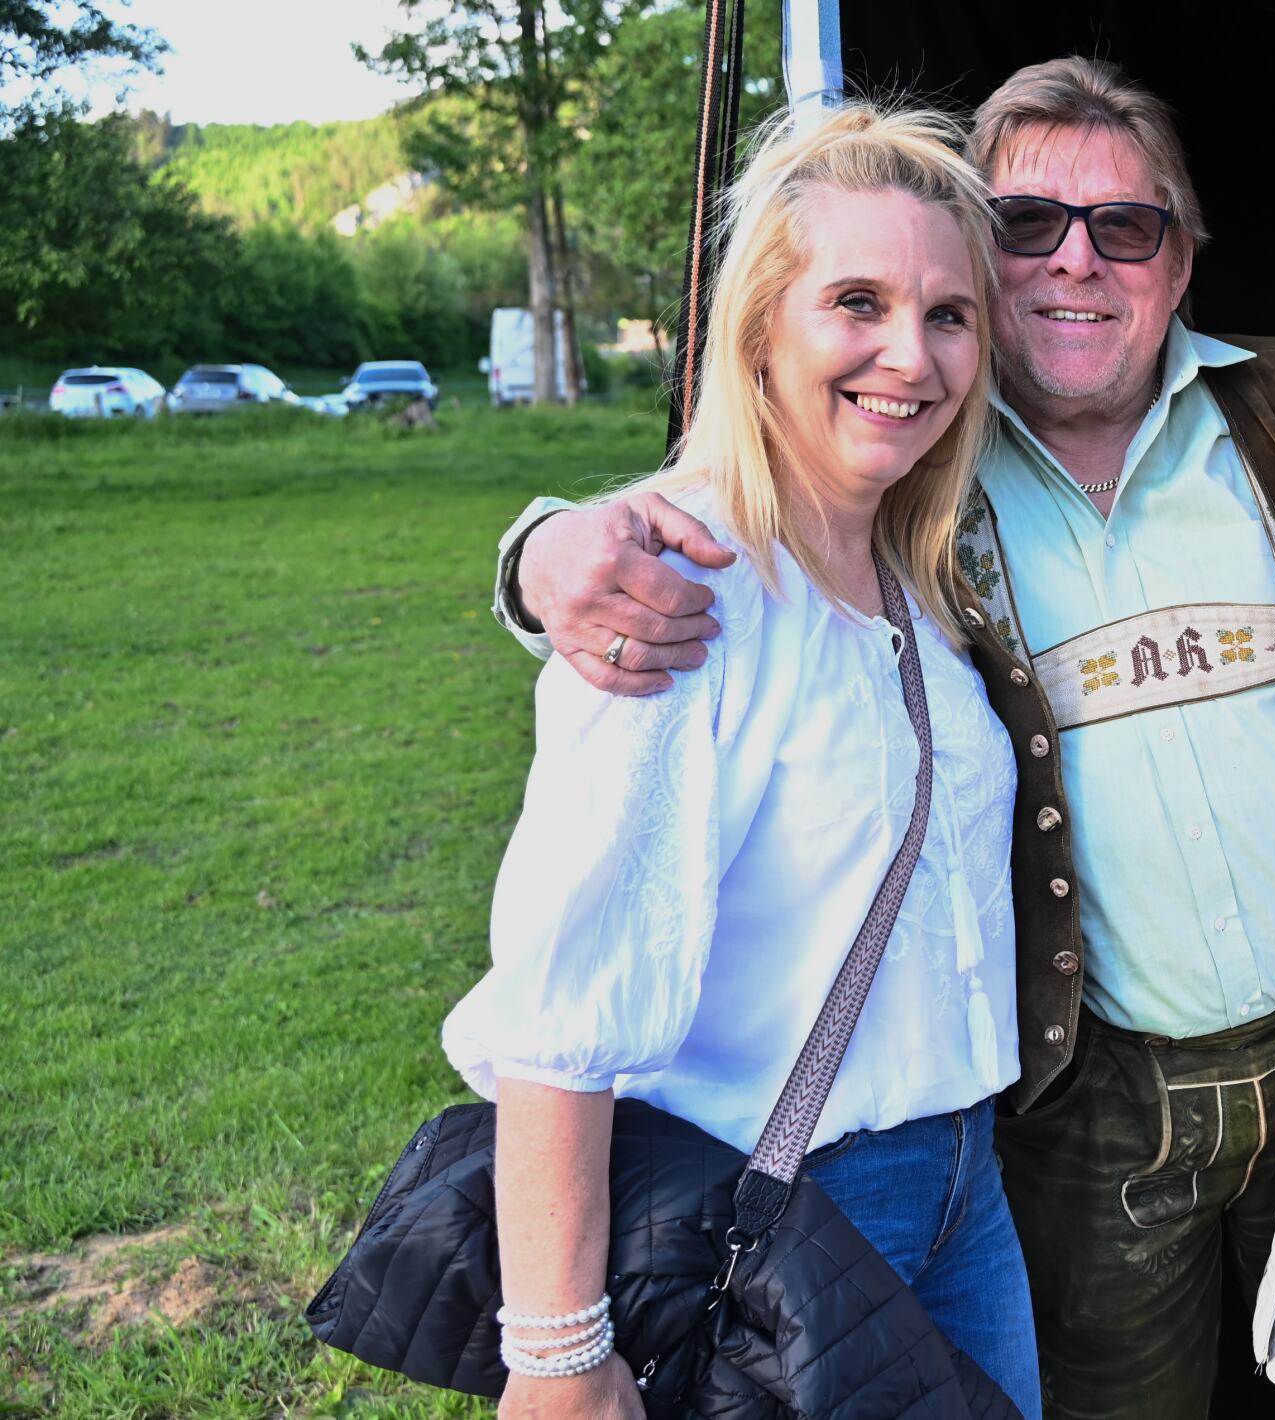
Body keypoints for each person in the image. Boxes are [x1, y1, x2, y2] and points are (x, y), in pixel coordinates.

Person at [484, 58, 1275, 1418]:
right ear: (760, 328)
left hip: (1137, 1121)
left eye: (1124, 225)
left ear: (1180, 260)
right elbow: (561, 1007)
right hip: (879, 1166)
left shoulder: (947, 531)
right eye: (1025, 224)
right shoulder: (789, 546)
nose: (1075, 259)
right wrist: (545, 555)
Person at [439, 101, 1041, 1417]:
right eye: (857, 302)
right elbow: (562, 1004)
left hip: (968, 1190)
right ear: (761, 327)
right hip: (787, 1211)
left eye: (948, 315)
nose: (911, 353)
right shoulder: (682, 590)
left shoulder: (913, 574)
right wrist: (558, 1357)